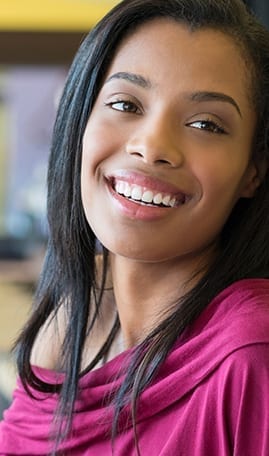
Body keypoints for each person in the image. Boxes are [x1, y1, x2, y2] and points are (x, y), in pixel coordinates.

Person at [1, 0, 269, 454]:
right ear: (79, 120)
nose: (151, 145)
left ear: (252, 171)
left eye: (206, 123)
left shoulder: (252, 354)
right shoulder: (71, 316)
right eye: (125, 103)